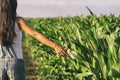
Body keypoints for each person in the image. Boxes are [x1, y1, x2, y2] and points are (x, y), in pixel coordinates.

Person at [0, 0, 68, 80]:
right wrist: (55, 46)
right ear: (14, 6)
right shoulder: (18, 21)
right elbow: (35, 34)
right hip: (16, 63)